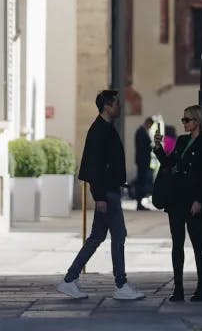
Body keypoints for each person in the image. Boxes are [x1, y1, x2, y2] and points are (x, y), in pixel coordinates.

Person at [56, 90, 145, 301]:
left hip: (109, 191)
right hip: (107, 193)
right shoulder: (99, 131)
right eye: (116, 104)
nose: (120, 107)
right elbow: (94, 166)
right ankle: (121, 284)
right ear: (107, 106)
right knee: (118, 235)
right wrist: (100, 197)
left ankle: (70, 279)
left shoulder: (105, 128)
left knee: (97, 237)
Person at [155, 104, 202, 302]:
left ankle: (201, 290)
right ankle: (178, 289)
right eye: (183, 119)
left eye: (186, 120)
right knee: (177, 245)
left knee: (199, 246)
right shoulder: (181, 141)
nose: (183, 123)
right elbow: (169, 165)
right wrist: (158, 148)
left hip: (193, 201)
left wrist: (200, 200)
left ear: (197, 121)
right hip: (176, 200)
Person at [133, 117, 155, 211]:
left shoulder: (142, 132)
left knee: (142, 182)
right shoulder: (141, 132)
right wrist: (150, 147)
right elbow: (142, 147)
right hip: (142, 161)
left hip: (143, 161)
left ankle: (140, 202)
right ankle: (139, 203)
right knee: (141, 182)